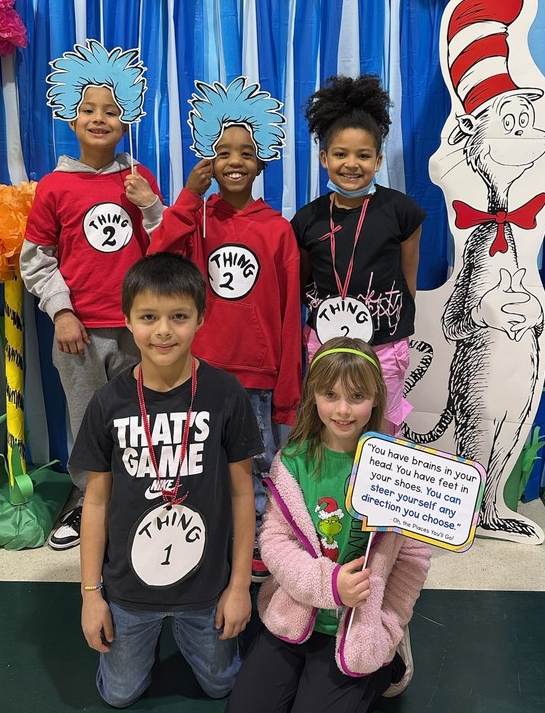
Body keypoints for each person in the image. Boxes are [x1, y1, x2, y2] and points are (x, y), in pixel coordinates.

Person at [227, 338, 431, 713]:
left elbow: (413, 558)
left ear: (377, 397)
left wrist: (389, 623)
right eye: (330, 395)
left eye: (357, 397)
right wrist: (328, 584)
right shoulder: (295, 460)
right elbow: (277, 544)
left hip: (359, 623)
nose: (342, 409)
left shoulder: (397, 465)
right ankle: (309, 678)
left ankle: (384, 667)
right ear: (313, 396)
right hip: (298, 612)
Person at [70, 253, 262, 706]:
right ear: (127, 320)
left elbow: (241, 495)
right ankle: (145, 635)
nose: (163, 331)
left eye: (179, 317)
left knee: (223, 687)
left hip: (207, 585)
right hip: (129, 590)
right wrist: (90, 595)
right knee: (118, 695)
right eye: (148, 317)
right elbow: (95, 504)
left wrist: (238, 588)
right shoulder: (107, 404)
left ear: (200, 318)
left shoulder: (224, 393)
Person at [149, 77, 302, 583]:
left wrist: (286, 386)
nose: (234, 161)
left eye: (246, 152)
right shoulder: (198, 220)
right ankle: (206, 538)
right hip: (203, 369)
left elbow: (287, 314)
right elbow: (159, 260)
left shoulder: (277, 229)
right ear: (209, 161)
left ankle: (258, 542)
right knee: (202, 461)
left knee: (256, 463)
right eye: (222, 152)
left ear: (262, 162)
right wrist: (189, 199)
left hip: (257, 375)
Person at [21, 41, 163, 550]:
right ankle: (88, 502)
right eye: (87, 109)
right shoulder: (55, 186)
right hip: (78, 332)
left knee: (140, 416)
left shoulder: (139, 178)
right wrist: (61, 311)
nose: (98, 118)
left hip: (136, 332)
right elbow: (35, 259)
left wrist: (150, 208)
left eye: (110, 110)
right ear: (70, 117)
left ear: (126, 121)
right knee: (85, 419)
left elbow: (165, 249)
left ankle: (136, 494)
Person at [291, 74, 425, 435]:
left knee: (380, 427)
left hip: (384, 343)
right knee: (331, 425)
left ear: (378, 160)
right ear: (323, 157)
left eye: (363, 155)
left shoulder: (402, 212)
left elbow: (407, 277)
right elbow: (303, 284)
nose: (352, 164)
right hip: (325, 345)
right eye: (340, 154)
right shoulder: (306, 221)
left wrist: (393, 320)